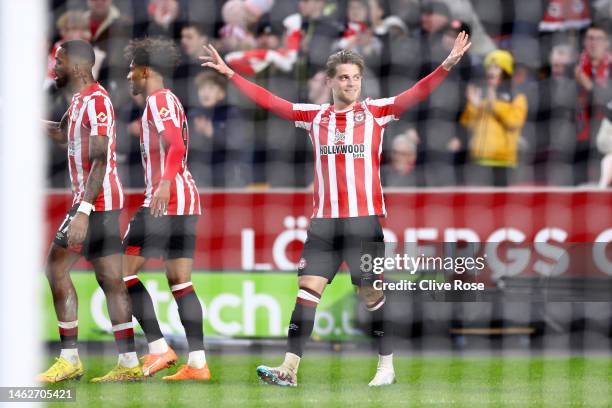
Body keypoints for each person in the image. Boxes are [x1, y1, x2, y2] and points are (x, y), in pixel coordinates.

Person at [201, 31, 471, 387]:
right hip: (324, 226)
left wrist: (447, 65)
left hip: (364, 223)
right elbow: (269, 101)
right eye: (344, 77)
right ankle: (289, 370)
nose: (351, 83)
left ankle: (386, 367)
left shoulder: (376, 112)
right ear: (329, 81)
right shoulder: (314, 117)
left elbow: (415, 94)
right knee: (306, 291)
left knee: (371, 294)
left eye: (356, 77)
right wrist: (231, 74)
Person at [39, 40, 142, 383]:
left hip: (94, 203)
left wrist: (83, 210)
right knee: (111, 280)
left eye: (59, 60)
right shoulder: (80, 101)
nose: (54, 66)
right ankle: (129, 363)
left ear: (79, 66)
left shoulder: (97, 101)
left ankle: (69, 359)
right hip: (99, 203)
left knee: (55, 268)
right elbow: (60, 133)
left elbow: (99, 158)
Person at [123, 37, 209, 381]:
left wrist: (164, 183)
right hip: (186, 201)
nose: (129, 76)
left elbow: (174, 143)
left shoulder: (158, 100)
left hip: (165, 201)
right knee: (180, 283)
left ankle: (158, 349)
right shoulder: (169, 100)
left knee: (120, 274)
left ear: (144, 69)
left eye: (131, 69)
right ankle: (199, 365)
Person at [459, 49, 528, 186]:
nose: (491, 70)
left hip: (504, 163)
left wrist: (494, 105)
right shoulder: (480, 95)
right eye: (489, 67)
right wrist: (474, 106)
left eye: (496, 67)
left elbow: (514, 123)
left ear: (506, 71)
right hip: (479, 161)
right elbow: (467, 124)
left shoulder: (517, 97)